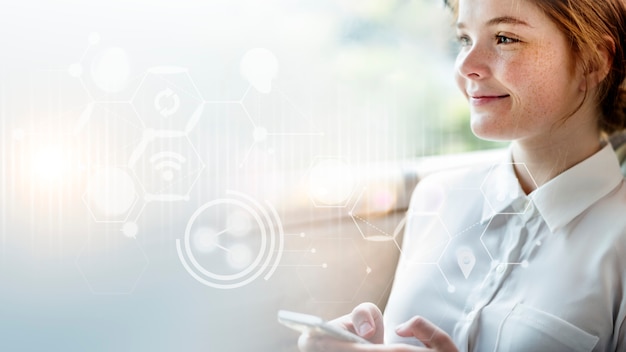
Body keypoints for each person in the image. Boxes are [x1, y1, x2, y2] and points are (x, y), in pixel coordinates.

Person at [298, 0, 626, 350]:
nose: (466, 66)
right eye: (464, 39)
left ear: (593, 61)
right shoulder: (436, 198)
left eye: (504, 38)